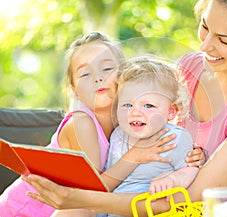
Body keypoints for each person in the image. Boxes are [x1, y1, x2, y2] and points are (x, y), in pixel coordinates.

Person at [24, 0, 227, 216]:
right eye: (204, 27)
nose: (205, 45)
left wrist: (86, 198)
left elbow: (188, 199)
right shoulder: (191, 67)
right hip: (145, 196)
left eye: (224, 40)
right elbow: (133, 116)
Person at [0, 32, 176, 217]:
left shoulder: (131, 120)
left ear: (124, 75)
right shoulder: (81, 123)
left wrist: (192, 157)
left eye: (107, 69)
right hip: (22, 211)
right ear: (74, 90)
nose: (97, 78)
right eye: (85, 73)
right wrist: (135, 156)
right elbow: (91, 195)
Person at [103, 56, 199, 217]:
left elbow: (192, 170)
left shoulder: (174, 137)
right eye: (127, 105)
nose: (135, 112)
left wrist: (173, 179)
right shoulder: (118, 135)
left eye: (148, 105)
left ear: (171, 111)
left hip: (148, 209)